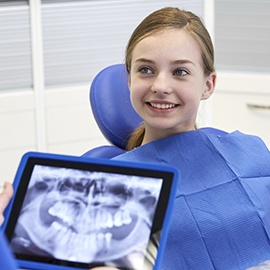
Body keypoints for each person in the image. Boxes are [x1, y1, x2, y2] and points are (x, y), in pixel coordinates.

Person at [1, 7, 270, 270]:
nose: (160, 86)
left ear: (208, 84)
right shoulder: (95, 188)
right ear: (129, 79)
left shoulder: (249, 153)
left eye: (180, 72)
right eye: (146, 70)